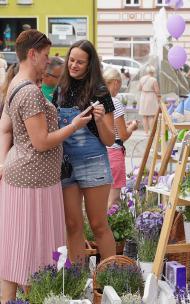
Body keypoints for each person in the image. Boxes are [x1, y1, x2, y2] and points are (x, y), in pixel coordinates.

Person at [0, 29, 91, 303]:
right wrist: (74, 126)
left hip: (23, 177)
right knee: (35, 252)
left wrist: (3, 162)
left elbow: (5, 127)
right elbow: (41, 142)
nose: (48, 61)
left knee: (16, 249)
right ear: (32, 54)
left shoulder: (16, 83)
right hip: (35, 183)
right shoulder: (29, 92)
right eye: (46, 55)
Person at [52, 40, 116, 262]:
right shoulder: (60, 89)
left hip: (94, 162)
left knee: (98, 224)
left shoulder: (99, 91)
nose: (74, 65)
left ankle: (110, 279)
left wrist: (99, 121)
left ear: (90, 65)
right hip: (66, 164)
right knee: (72, 224)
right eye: (71, 60)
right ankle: (78, 281)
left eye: (80, 62)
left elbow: (110, 139)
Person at [103, 68, 138, 208]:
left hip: (101, 152)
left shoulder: (97, 100)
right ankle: (109, 228)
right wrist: (132, 127)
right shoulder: (114, 102)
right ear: (116, 83)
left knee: (102, 199)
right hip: (114, 152)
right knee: (113, 200)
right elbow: (123, 135)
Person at [138, 65, 160, 134]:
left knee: (144, 116)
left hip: (143, 96)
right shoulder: (153, 80)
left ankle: (146, 132)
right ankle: (151, 132)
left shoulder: (142, 79)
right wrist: (159, 98)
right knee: (151, 116)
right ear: (153, 72)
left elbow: (139, 88)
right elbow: (157, 91)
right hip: (151, 97)